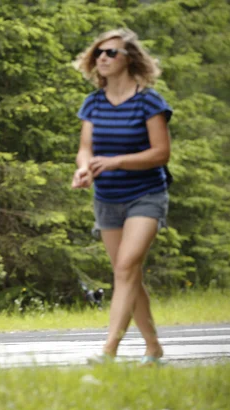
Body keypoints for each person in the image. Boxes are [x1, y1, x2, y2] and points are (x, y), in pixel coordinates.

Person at [71, 29, 172, 366]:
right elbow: (86, 150)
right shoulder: (93, 103)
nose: (103, 57)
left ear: (129, 58)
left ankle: (109, 350)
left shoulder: (148, 101)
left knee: (127, 267)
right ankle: (153, 348)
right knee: (127, 274)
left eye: (111, 52)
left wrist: (115, 161)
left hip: (146, 195)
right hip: (107, 199)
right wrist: (84, 169)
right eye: (99, 52)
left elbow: (161, 153)